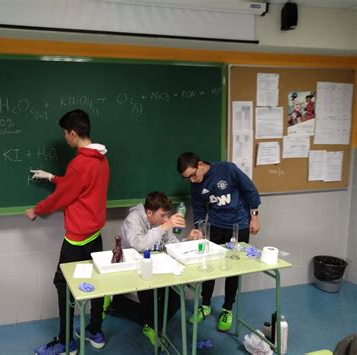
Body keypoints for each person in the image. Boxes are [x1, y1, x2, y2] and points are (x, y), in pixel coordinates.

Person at [26, 109, 109, 355]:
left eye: (64, 133)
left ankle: (66, 342)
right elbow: (77, 187)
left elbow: (62, 197)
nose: (64, 138)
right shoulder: (100, 159)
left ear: (73, 133)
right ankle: (95, 330)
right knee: (96, 283)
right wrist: (52, 176)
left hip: (77, 238)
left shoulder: (79, 163)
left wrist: (36, 210)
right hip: (95, 234)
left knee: (62, 284)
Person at [176, 152, 261, 332]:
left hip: (239, 226)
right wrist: (199, 227)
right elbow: (199, 208)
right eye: (187, 178)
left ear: (200, 165)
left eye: (193, 175)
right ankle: (205, 305)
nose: (192, 180)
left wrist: (254, 217)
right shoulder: (196, 185)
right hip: (214, 227)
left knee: (234, 269)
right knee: (208, 266)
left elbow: (250, 190)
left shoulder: (227, 169)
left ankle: (227, 309)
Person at [109, 191, 201, 346]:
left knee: (176, 299)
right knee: (151, 300)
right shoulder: (133, 219)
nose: (165, 219)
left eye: (167, 216)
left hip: (158, 266)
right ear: (149, 213)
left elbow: (171, 243)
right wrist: (165, 226)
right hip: (135, 267)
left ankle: (143, 319)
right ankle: (135, 315)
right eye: (162, 215)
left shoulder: (162, 222)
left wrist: (187, 241)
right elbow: (139, 244)